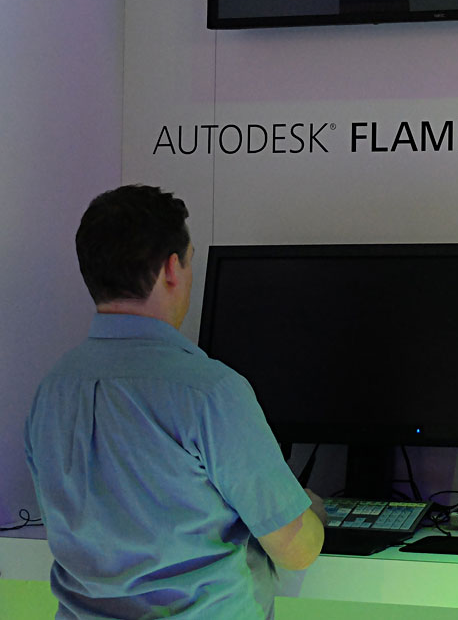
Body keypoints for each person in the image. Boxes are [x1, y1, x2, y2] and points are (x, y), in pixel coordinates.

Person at [25, 184, 325, 619]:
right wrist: (310, 511)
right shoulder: (210, 393)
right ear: (171, 269)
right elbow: (296, 550)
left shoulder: (51, 391)